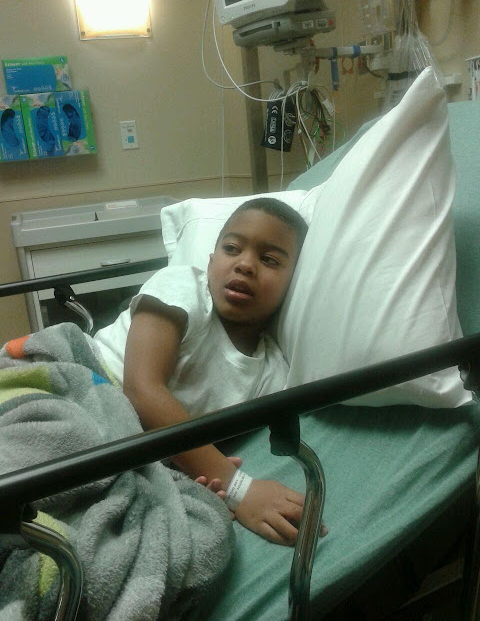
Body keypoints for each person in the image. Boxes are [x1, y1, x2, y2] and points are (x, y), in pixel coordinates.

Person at [94, 198, 319, 547]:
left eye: (269, 260)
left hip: (132, 452)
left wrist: (204, 477)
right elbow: (141, 390)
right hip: (87, 386)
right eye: (232, 248)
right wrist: (238, 488)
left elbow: (205, 448)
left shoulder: (273, 374)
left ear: (295, 282)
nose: (245, 264)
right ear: (212, 261)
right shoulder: (183, 287)